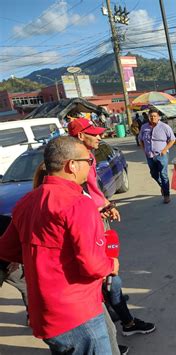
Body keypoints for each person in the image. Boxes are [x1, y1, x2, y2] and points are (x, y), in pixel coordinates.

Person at [0, 136, 119, 353]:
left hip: (45, 315)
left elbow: (7, 249)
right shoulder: (79, 203)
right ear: (71, 165)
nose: (91, 165)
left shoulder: (26, 202)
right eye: (89, 161)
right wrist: (111, 265)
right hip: (78, 314)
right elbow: (92, 265)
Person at [68, 118, 156, 341]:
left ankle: (120, 314)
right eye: (94, 134)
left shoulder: (87, 158)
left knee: (110, 279)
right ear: (80, 136)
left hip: (98, 218)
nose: (99, 137)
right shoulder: (74, 164)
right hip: (90, 224)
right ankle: (122, 327)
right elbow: (81, 197)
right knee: (108, 277)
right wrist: (97, 210)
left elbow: (92, 191)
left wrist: (105, 205)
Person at [138, 108, 176, 204]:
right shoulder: (144, 127)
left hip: (161, 155)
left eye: (155, 116)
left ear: (158, 117)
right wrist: (144, 150)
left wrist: (164, 150)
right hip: (149, 155)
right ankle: (163, 187)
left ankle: (166, 195)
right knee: (154, 174)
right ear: (148, 117)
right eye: (151, 116)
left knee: (163, 174)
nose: (153, 118)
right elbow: (140, 139)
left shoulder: (165, 127)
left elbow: (172, 139)